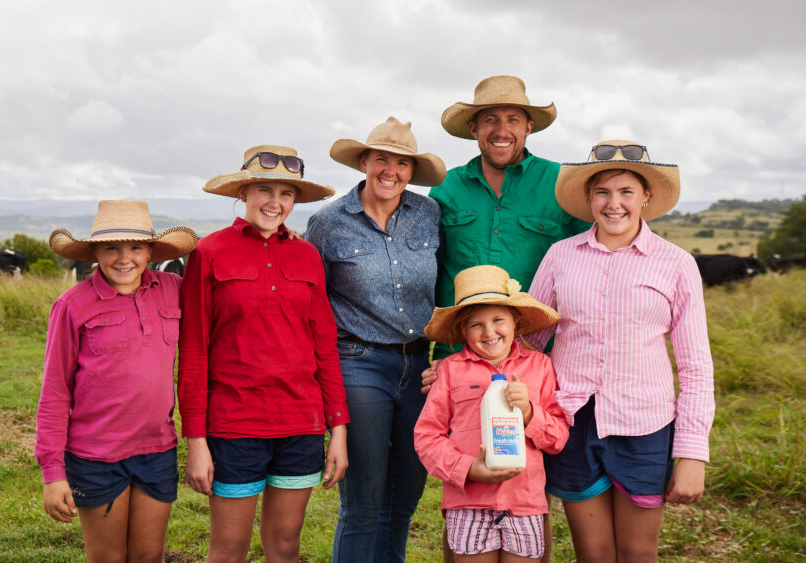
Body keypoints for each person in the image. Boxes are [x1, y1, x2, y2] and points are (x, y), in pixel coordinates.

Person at [526, 140, 715, 561]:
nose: (615, 204)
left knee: (636, 552)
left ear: (646, 197)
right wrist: (464, 370)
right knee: (592, 553)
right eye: (603, 192)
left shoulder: (676, 263)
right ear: (590, 199)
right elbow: (530, 341)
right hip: (571, 421)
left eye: (626, 191)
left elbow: (696, 365)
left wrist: (691, 453)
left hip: (645, 424)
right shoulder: (560, 256)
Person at [426, 75, 588, 563]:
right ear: (474, 128)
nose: (501, 129)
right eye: (490, 119)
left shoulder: (560, 183)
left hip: (536, 359)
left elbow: (590, 252)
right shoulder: (446, 187)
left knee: (531, 482)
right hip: (460, 356)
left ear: (529, 125)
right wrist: (439, 354)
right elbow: (425, 268)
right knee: (464, 465)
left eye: (512, 119)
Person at [178, 145, 349, 563]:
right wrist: (196, 440)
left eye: (286, 193)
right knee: (228, 551)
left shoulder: (308, 255)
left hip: (300, 424)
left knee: (286, 547)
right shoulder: (208, 253)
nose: (275, 203)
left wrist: (338, 429)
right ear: (243, 193)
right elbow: (194, 351)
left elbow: (325, 347)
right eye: (264, 190)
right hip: (235, 424)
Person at [305, 117, 447, 563]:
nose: (391, 171)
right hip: (358, 362)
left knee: (404, 501)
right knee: (364, 503)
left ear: (411, 170)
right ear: (364, 162)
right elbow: (313, 305)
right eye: (381, 159)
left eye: (402, 163)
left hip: (418, 365)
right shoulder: (328, 223)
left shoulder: (428, 214)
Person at [35, 200, 198, 562]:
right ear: (94, 251)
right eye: (111, 247)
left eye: (136, 247)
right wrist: (52, 473)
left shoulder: (174, 289)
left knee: (148, 555)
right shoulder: (72, 305)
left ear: (151, 251)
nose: (124, 259)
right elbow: (55, 393)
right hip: (95, 456)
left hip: (157, 450)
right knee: (107, 558)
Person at [414, 265, 569, 562]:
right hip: (468, 502)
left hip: (524, 502)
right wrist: (467, 469)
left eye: (498, 320)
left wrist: (527, 412)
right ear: (462, 330)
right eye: (476, 325)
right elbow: (427, 435)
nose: (489, 332)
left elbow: (558, 437)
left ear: (516, 323)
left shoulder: (540, 367)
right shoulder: (449, 370)